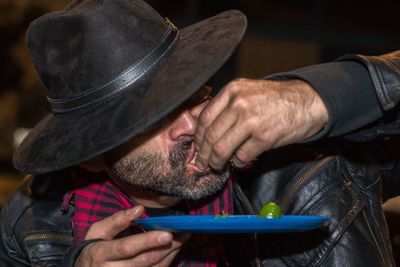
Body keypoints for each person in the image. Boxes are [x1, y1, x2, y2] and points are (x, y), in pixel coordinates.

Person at [0, 0, 397, 266]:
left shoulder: (308, 165)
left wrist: (321, 95)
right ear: (92, 156)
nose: (193, 125)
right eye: (152, 120)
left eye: (195, 94)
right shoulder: (33, 221)